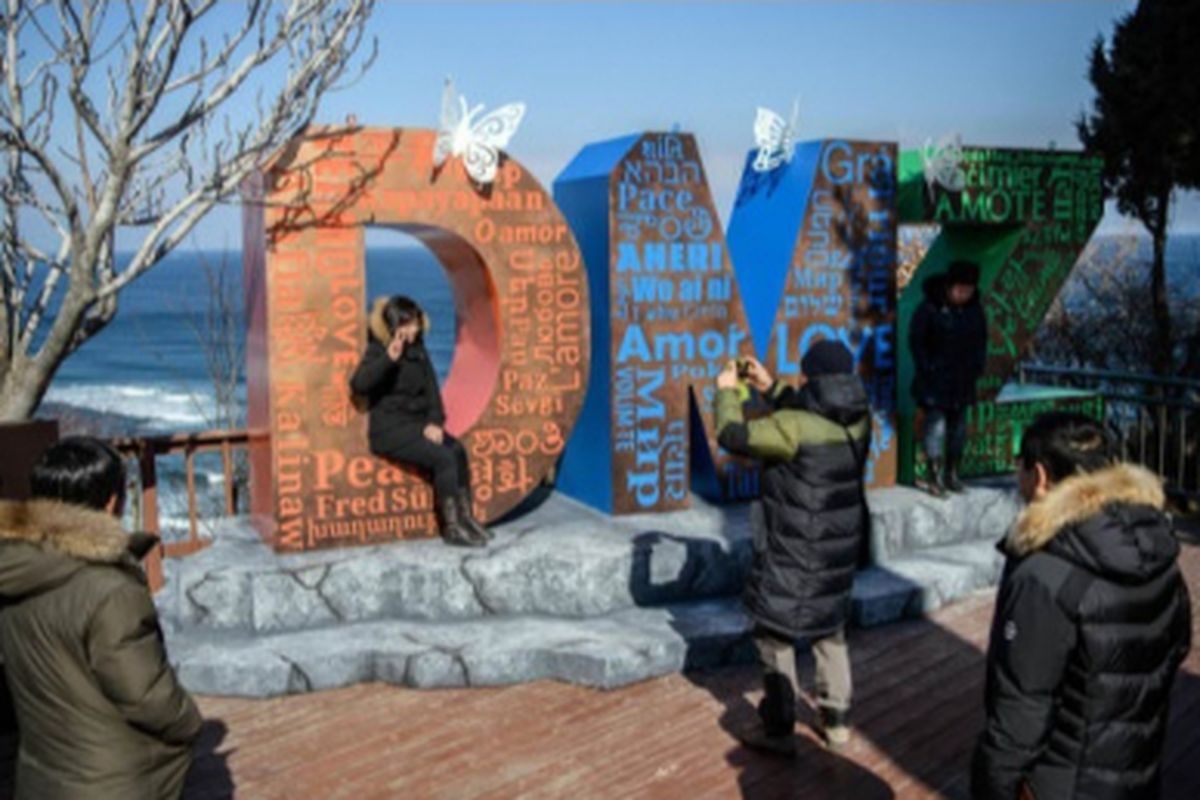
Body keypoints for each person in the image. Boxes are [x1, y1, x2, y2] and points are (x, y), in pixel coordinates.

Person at [972, 413, 1192, 800]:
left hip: (1063, 784)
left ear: (1039, 476)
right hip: (1135, 772)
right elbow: (1177, 645)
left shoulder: (1045, 574)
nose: (1016, 475)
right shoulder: (1157, 543)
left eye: (1019, 464)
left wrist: (992, 787)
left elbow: (1021, 714)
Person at [0, 436, 202, 799]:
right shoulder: (111, 590)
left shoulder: (14, 571)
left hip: (41, 772)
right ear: (111, 502)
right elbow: (147, 696)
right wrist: (189, 720)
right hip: (114, 780)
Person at [714, 340, 872, 754]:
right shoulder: (858, 420)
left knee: (774, 632)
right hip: (836, 549)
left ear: (809, 377)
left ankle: (780, 725)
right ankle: (837, 723)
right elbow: (813, 410)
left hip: (792, 547)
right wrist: (773, 388)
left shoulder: (792, 428)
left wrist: (728, 391)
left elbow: (733, 435)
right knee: (830, 630)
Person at [350, 295, 489, 547]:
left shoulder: (418, 349)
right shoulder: (378, 348)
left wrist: (435, 421)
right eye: (408, 324)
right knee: (443, 458)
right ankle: (452, 527)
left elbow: (432, 390)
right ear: (394, 326)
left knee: (457, 450)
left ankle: (466, 517)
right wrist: (388, 359)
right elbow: (359, 384)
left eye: (415, 323)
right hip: (389, 430)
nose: (414, 329)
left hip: (417, 425)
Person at [909, 259, 988, 495]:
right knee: (935, 428)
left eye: (969, 290)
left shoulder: (975, 310)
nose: (964, 294)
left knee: (959, 430)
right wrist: (928, 366)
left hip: (962, 380)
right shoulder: (930, 307)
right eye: (960, 289)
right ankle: (934, 476)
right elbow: (916, 340)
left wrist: (977, 366)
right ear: (949, 286)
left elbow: (981, 341)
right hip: (934, 381)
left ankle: (952, 474)